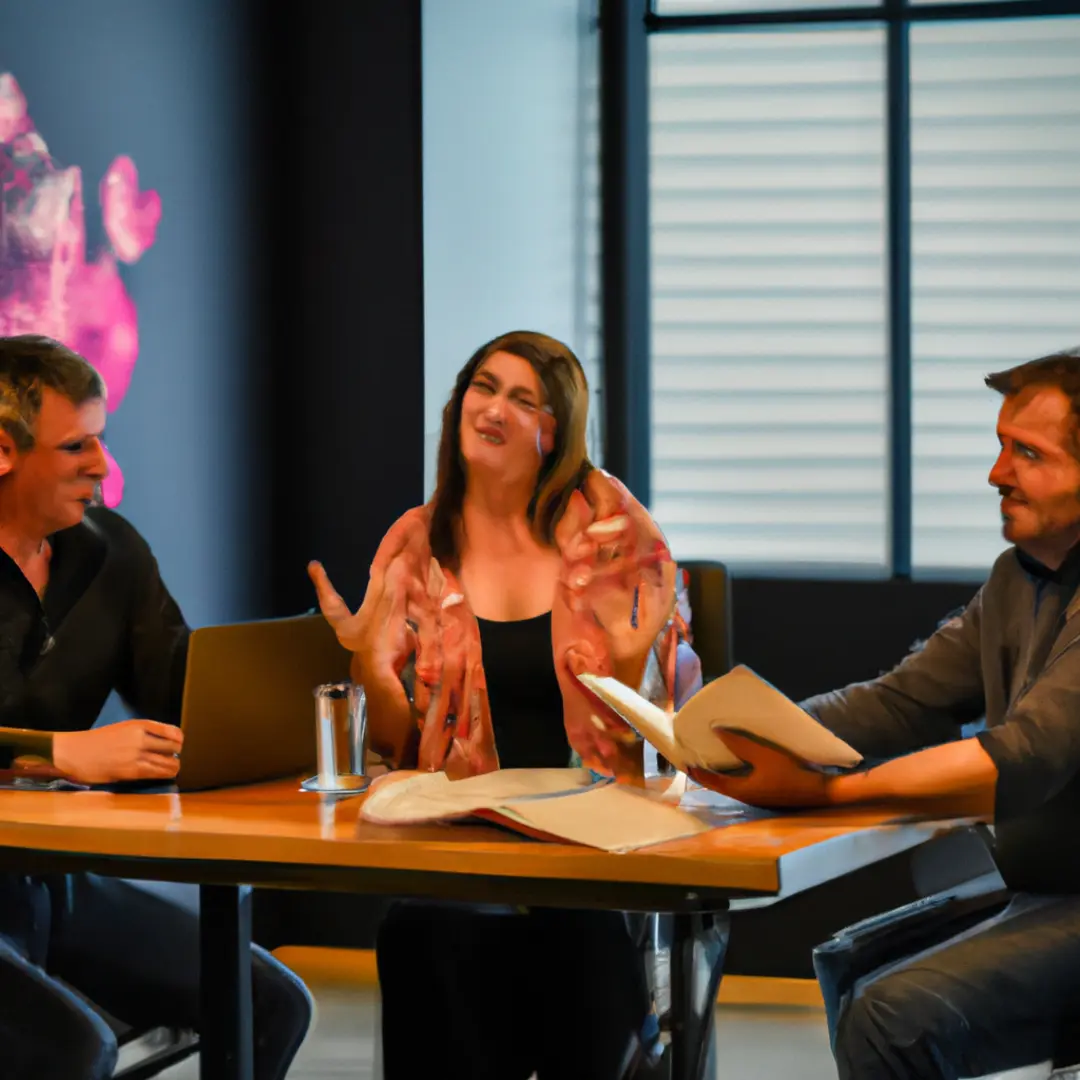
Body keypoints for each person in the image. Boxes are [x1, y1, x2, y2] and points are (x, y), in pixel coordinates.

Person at [310, 330, 700, 1080]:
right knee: (422, 934)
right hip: (460, 845)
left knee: (578, 939)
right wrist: (367, 663)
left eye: (523, 399)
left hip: (590, 851)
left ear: (556, 431)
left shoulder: (619, 536)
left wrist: (629, 673)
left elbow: (676, 737)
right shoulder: (416, 546)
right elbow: (395, 748)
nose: (491, 408)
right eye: (482, 386)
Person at [694, 346, 1080, 1079]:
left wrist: (830, 792)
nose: (996, 473)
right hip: (1048, 885)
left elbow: (1027, 755)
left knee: (891, 1016)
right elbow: (899, 702)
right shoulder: (1017, 578)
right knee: (850, 965)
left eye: (1026, 453)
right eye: (1000, 447)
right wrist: (731, 741)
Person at [0, 334, 313, 1080]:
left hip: (50, 875)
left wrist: (342, 659)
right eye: (76, 446)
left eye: (100, 440)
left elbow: (185, 699)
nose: (102, 466)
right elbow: (66, 753)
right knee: (75, 1052)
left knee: (272, 1004)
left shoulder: (112, 552)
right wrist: (54, 751)